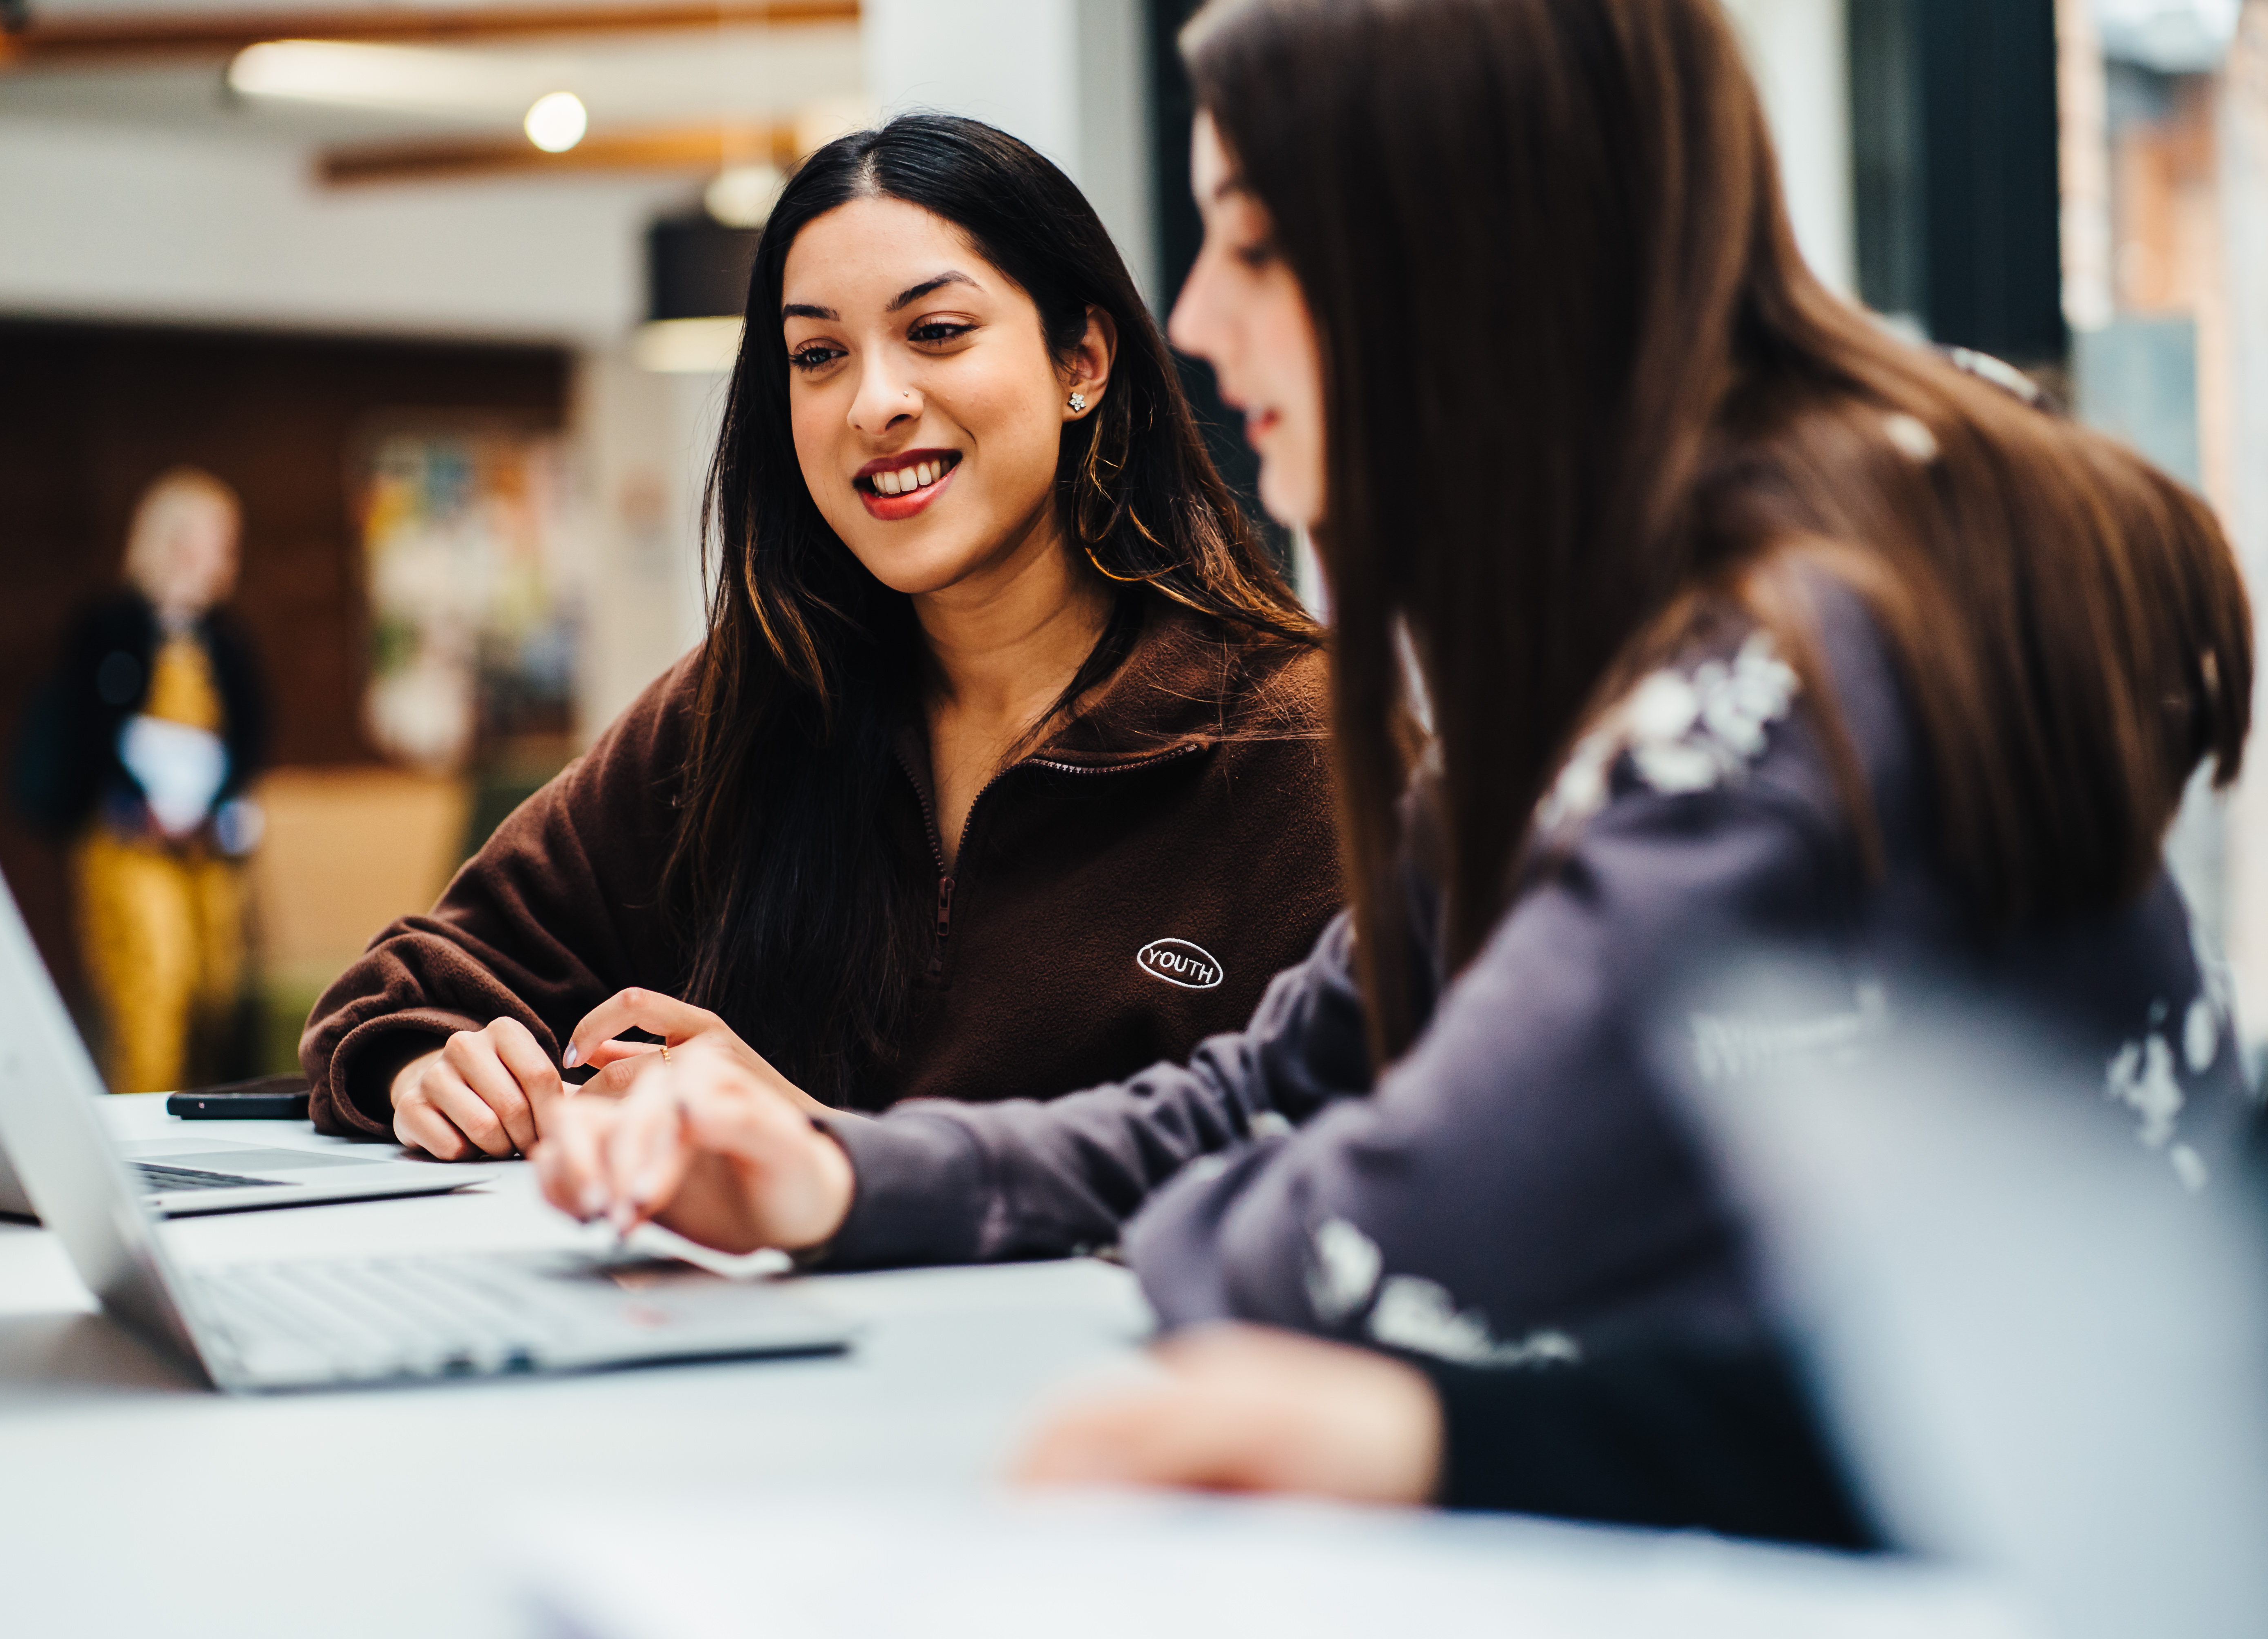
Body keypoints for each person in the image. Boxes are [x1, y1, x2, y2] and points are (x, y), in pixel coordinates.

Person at [532, 0, 2254, 1539]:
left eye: (1261, 250)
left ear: (1474, 260)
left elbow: (1394, 1214)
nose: (1198, 321)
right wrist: (839, 1175)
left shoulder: (1797, 652)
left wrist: (1308, 1325)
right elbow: (1283, 1089)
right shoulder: (1612, 632)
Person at [302, 115, 1336, 1159]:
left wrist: (818, 1146)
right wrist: (433, 1064)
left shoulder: (1298, 743)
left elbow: (1375, 1199)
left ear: (1084, 359)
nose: (873, 404)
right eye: (819, 355)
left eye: (936, 332)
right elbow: (407, 987)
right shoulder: (752, 698)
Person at [15, 466, 270, 1094]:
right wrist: (142, 803)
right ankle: (143, 1134)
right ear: (179, 541)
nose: (229, 558)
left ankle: (206, 1126)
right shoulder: (107, 626)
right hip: (126, 841)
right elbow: (88, 732)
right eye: (222, 540)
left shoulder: (226, 639)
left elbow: (250, 736)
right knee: (150, 982)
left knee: (212, 991)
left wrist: (207, 806)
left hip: (204, 846)